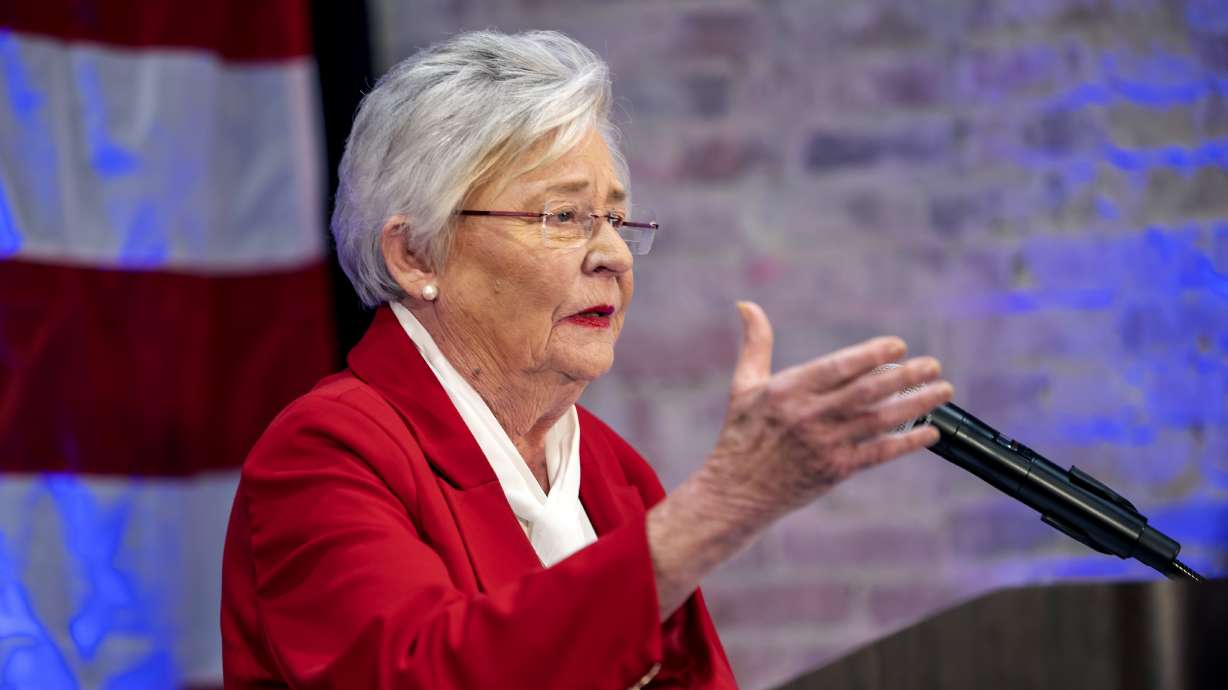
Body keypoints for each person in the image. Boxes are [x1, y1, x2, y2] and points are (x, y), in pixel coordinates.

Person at [220, 30, 953, 690]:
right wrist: (717, 509)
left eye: (614, 217)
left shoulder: (610, 469)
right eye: (564, 217)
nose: (611, 256)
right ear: (414, 254)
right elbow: (425, 673)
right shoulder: (326, 453)